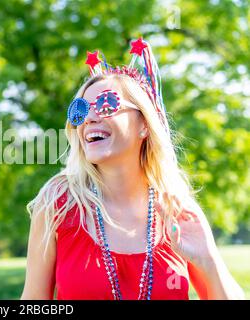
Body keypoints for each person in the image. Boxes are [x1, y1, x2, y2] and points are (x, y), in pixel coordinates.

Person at [20, 39, 245, 300]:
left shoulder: (178, 211)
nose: (90, 118)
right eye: (80, 111)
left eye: (106, 105)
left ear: (144, 125)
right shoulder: (57, 203)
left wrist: (208, 260)